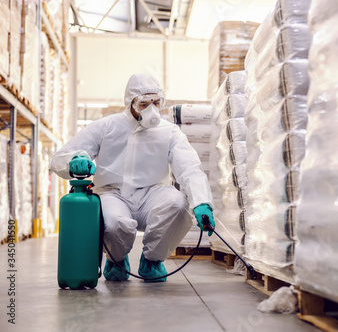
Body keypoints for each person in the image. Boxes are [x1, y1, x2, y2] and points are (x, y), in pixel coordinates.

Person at [50, 73, 215, 282]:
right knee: (114, 222)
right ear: (130, 103)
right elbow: (59, 159)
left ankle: (152, 260)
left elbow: (190, 168)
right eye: (144, 104)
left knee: (178, 204)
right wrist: (74, 161)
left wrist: (201, 202)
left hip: (153, 193)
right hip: (113, 193)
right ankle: (117, 259)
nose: (152, 110)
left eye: (156, 103)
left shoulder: (169, 132)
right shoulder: (107, 127)